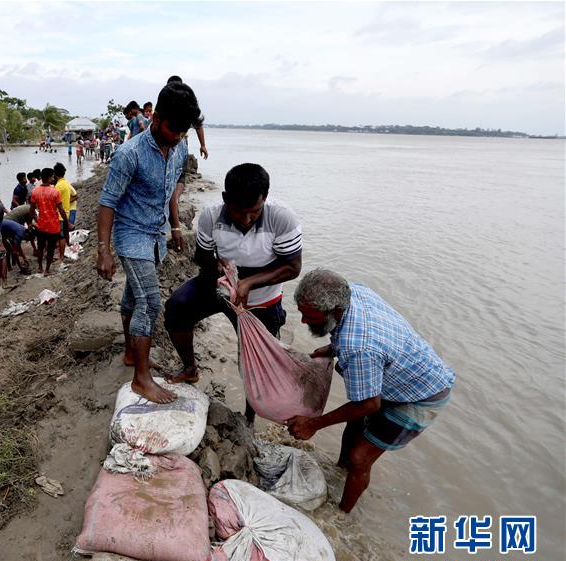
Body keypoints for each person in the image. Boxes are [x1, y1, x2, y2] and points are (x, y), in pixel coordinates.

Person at [287, 269, 456, 513]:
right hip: (396, 373)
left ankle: (342, 514)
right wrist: (332, 347)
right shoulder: (355, 292)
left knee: (360, 458)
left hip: (421, 396)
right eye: (302, 314)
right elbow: (352, 332)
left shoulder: (358, 347)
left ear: (335, 311)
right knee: (354, 425)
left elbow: (368, 404)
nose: (303, 321)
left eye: (310, 317)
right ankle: (339, 471)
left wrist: (314, 424)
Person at [165, 163, 302, 424]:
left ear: (265, 198)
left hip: (262, 301)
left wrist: (249, 283)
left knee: (256, 362)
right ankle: (190, 369)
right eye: (239, 212)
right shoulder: (210, 217)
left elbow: (292, 267)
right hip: (220, 287)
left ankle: (250, 418)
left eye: (254, 212)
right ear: (226, 199)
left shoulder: (282, 218)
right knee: (177, 307)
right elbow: (201, 256)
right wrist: (219, 269)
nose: (246, 219)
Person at [96, 82, 201, 404]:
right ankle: (141, 378)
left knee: (133, 296)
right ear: (155, 118)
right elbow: (107, 201)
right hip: (130, 235)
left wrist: (176, 227)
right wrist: (104, 251)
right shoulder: (129, 153)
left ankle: (131, 353)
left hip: (155, 235)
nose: (178, 136)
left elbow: (172, 189)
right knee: (151, 301)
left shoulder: (180, 145)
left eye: (184, 131)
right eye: (173, 129)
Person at [30, 167, 69, 276]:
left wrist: (35, 221)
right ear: (49, 177)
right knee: (51, 249)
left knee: (41, 247)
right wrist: (66, 221)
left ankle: (39, 267)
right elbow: (61, 209)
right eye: (52, 176)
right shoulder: (55, 192)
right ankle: (47, 270)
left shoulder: (34, 192)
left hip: (41, 225)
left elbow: (32, 210)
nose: (53, 178)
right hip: (53, 225)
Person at [166, 76, 208, 159]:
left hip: (180, 143)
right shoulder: (164, 102)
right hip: (165, 143)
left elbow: (198, 124)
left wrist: (203, 145)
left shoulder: (188, 105)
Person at [53, 162, 78, 261]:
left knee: (61, 236)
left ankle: (61, 256)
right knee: (65, 233)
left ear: (55, 174)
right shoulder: (66, 183)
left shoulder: (58, 186)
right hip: (66, 212)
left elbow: (55, 202)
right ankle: (67, 245)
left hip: (60, 214)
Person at [2, 203, 33, 273]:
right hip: (0, 230)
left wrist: (24, 258)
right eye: (26, 239)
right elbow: (15, 252)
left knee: (12, 247)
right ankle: (8, 267)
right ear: (27, 235)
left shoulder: (22, 229)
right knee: (7, 249)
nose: (25, 240)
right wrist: (21, 268)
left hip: (5, 226)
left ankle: (11, 265)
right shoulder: (20, 234)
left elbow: (18, 246)